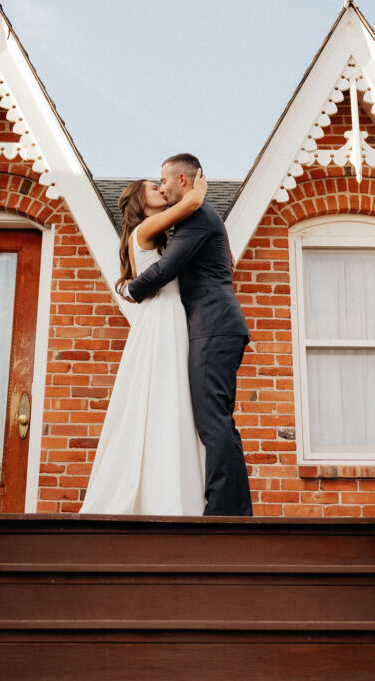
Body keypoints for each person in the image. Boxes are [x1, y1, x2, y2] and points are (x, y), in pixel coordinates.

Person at [127, 153, 252, 517]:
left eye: (164, 181)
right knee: (218, 422)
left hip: (213, 328)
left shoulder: (197, 215)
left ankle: (221, 514)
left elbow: (166, 268)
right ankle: (236, 512)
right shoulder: (189, 219)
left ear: (182, 180)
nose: (162, 188)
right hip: (211, 328)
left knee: (213, 422)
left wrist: (132, 290)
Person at [80, 171, 208, 515]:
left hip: (169, 318)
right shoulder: (144, 231)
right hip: (162, 321)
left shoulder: (163, 238)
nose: (161, 189)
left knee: (170, 399)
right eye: (154, 187)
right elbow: (194, 201)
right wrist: (197, 181)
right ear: (140, 200)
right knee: (166, 397)